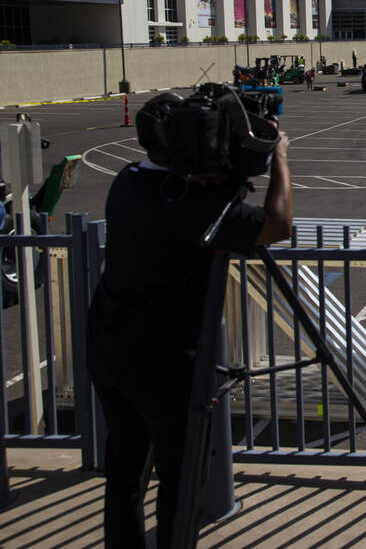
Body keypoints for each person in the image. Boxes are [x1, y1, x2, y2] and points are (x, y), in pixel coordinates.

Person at [87, 92, 293, 547]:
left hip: (107, 346)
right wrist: (278, 155)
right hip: (164, 363)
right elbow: (278, 224)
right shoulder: (196, 203)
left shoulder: (127, 180)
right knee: (180, 480)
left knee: (124, 472)